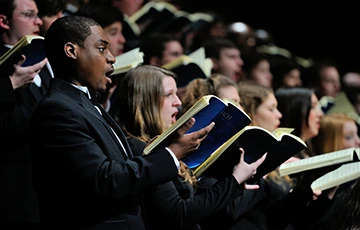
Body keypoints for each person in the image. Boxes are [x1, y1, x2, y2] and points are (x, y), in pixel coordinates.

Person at [29, 15, 214, 230]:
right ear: (72, 51)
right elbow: (106, 180)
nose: (112, 58)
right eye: (101, 48)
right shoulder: (58, 109)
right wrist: (172, 154)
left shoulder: (88, 105)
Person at [116, 64, 266, 230]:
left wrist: (232, 185)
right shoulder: (140, 148)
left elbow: (194, 201)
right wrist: (233, 181)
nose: (178, 102)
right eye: (169, 95)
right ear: (147, 101)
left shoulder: (162, 145)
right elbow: (180, 213)